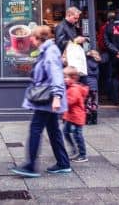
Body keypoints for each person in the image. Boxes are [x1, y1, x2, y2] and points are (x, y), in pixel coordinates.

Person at [10, 26, 70, 178]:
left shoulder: (50, 53)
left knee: (35, 128)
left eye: (33, 37)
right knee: (53, 130)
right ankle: (63, 163)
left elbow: (56, 75)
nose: (30, 39)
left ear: (38, 39)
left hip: (47, 98)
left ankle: (30, 166)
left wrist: (57, 97)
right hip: (47, 98)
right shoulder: (47, 51)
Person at [62, 65, 89, 163]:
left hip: (77, 116)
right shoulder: (69, 87)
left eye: (65, 77)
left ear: (73, 78)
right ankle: (74, 150)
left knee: (77, 135)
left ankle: (82, 154)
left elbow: (69, 102)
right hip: (70, 116)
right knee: (65, 131)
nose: (63, 79)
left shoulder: (74, 89)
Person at [85, 49, 101, 125]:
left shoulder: (86, 61)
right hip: (94, 85)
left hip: (87, 84)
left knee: (88, 102)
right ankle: (94, 119)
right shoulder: (96, 63)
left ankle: (88, 119)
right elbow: (97, 76)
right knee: (94, 102)